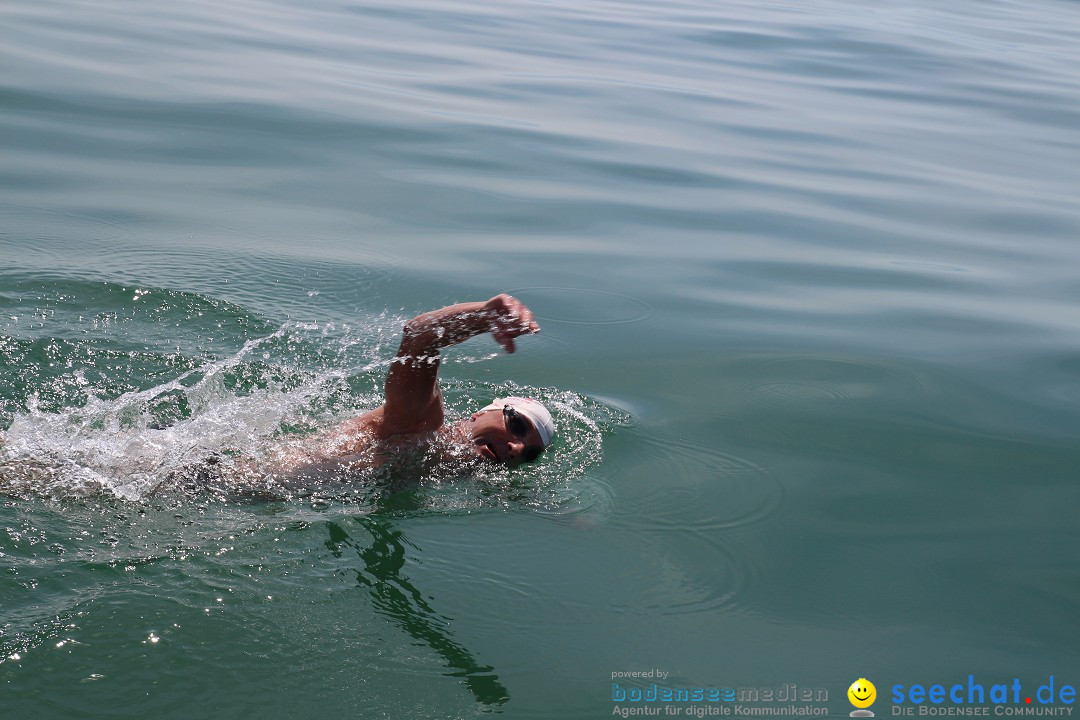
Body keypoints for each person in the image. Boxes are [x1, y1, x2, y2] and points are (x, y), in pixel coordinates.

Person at [260, 294, 555, 479]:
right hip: (224, 484)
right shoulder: (421, 424)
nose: (517, 448)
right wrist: (481, 316)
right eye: (516, 425)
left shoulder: (449, 469)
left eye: (530, 453)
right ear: (479, 414)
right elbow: (420, 336)